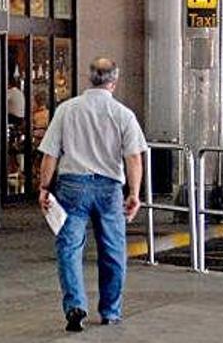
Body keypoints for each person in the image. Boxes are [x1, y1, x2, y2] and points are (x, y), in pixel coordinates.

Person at [37, 58, 147, 332]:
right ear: (114, 80)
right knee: (113, 250)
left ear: (90, 78)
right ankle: (110, 311)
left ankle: (75, 305)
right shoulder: (123, 114)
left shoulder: (67, 109)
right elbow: (133, 158)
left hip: (71, 186)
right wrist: (134, 193)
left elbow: (50, 153)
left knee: (69, 248)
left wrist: (43, 188)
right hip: (110, 189)